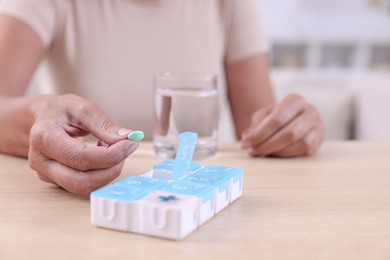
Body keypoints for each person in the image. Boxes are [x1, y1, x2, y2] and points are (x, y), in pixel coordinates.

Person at [0, 0, 325, 195]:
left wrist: (286, 128)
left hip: (200, 193)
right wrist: (37, 114)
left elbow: (258, 124)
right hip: (79, 207)